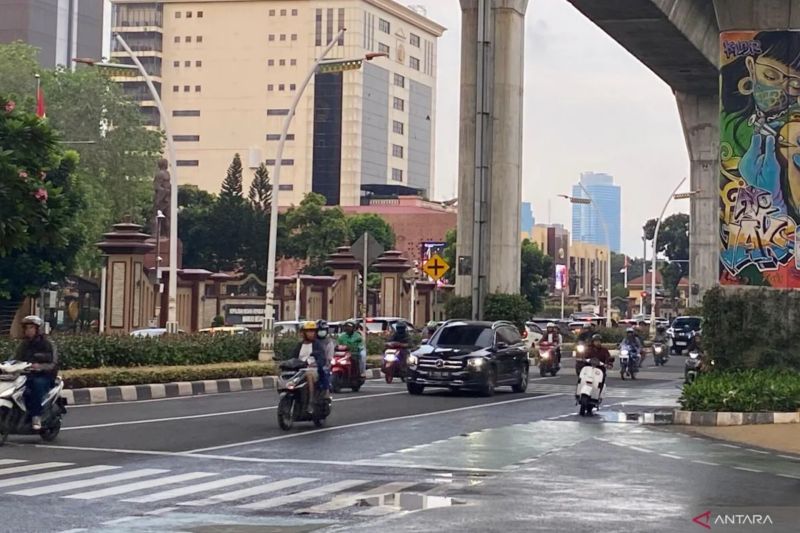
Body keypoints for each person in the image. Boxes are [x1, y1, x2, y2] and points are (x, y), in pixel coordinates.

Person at [15, 316, 58, 431]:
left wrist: (39, 367)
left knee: (36, 385)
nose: (28, 330)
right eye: (26, 328)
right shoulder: (23, 345)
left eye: (31, 327)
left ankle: (36, 416)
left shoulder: (48, 344)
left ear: (38, 329)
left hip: (44, 376)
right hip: (26, 375)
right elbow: (14, 359)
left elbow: (53, 364)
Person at [291, 321, 327, 413]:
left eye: (313, 331)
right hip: (299, 371)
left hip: (312, 370)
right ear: (303, 333)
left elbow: (322, 358)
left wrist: (315, 363)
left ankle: (311, 402)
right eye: (308, 331)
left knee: (309, 374)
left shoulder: (317, 344)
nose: (311, 333)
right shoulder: (299, 345)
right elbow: (293, 358)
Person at [316, 320, 335, 391]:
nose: (321, 331)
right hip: (310, 365)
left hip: (323, 365)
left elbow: (329, 356)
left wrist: (327, 363)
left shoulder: (329, 342)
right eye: (320, 330)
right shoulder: (312, 341)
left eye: (323, 330)